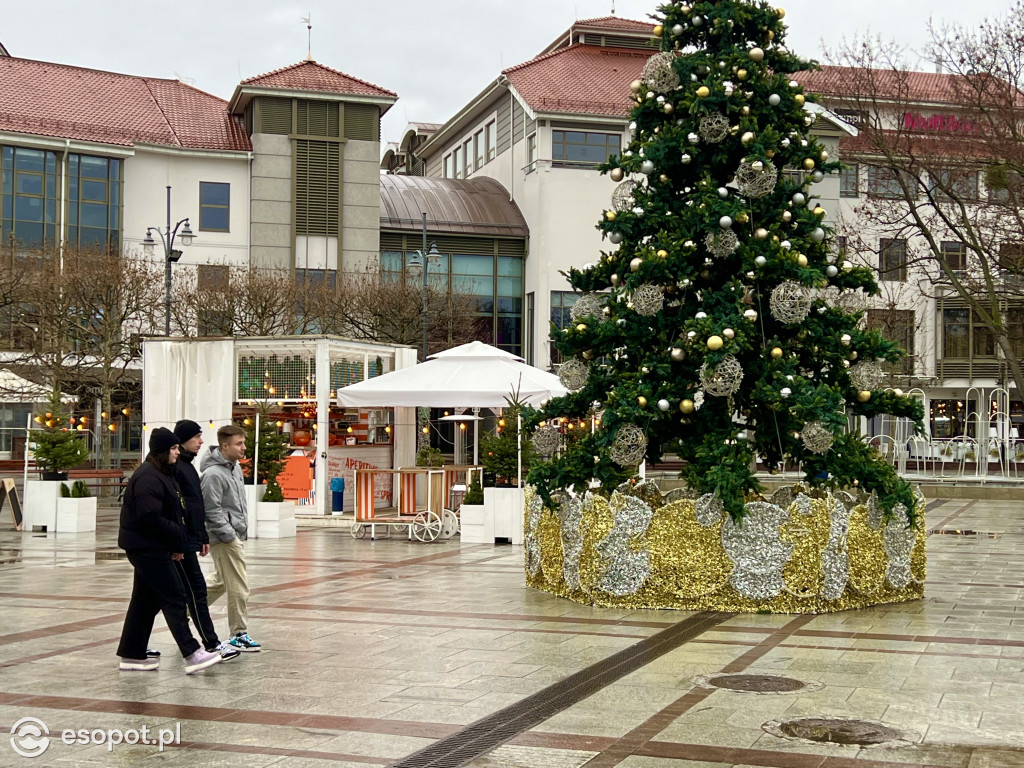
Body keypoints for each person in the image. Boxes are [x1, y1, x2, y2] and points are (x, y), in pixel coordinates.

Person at [116, 427, 223, 674]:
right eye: (174, 449)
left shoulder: (163, 473)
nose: (177, 452)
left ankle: (132, 654)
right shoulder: (149, 477)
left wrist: (176, 544)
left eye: (177, 448)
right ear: (163, 451)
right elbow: (149, 517)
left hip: (152, 545)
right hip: (146, 547)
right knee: (174, 596)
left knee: (144, 601)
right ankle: (191, 653)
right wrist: (177, 538)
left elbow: (173, 510)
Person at [173, 419, 241, 662]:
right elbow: (182, 509)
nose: (201, 442)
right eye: (196, 437)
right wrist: (180, 544)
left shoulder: (189, 468)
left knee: (168, 597)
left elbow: (195, 508)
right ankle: (210, 644)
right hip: (178, 543)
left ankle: (134, 647)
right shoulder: (179, 470)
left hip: (187, 540)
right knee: (191, 593)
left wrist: (200, 536)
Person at [202, 424, 261, 652]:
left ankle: (185, 611)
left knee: (220, 582)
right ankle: (238, 633)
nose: (243, 448)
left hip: (232, 533)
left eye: (244, 443)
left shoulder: (233, 467)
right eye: (239, 444)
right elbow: (212, 509)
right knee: (239, 585)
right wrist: (229, 535)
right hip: (223, 538)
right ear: (224, 446)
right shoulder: (212, 474)